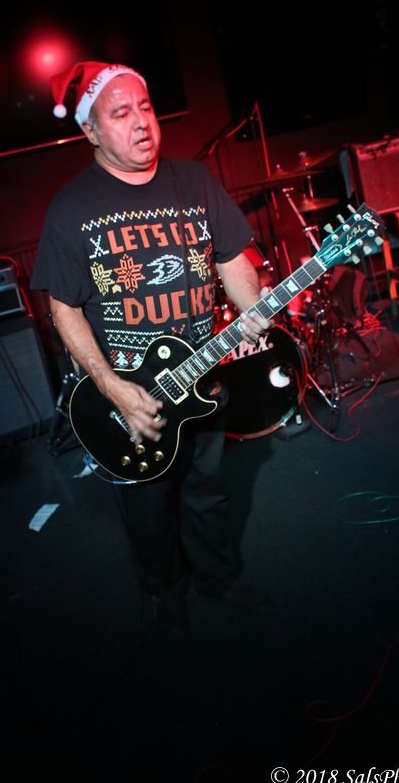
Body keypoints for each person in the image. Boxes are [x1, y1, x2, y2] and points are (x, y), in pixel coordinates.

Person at [31, 61, 272, 632]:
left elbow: (232, 259)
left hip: (201, 371)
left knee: (206, 490)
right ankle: (164, 589)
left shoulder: (195, 181)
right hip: (132, 396)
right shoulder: (72, 208)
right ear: (91, 131)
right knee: (147, 506)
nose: (141, 122)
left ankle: (218, 578)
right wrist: (111, 388)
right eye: (121, 113)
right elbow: (64, 309)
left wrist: (253, 308)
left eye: (145, 107)